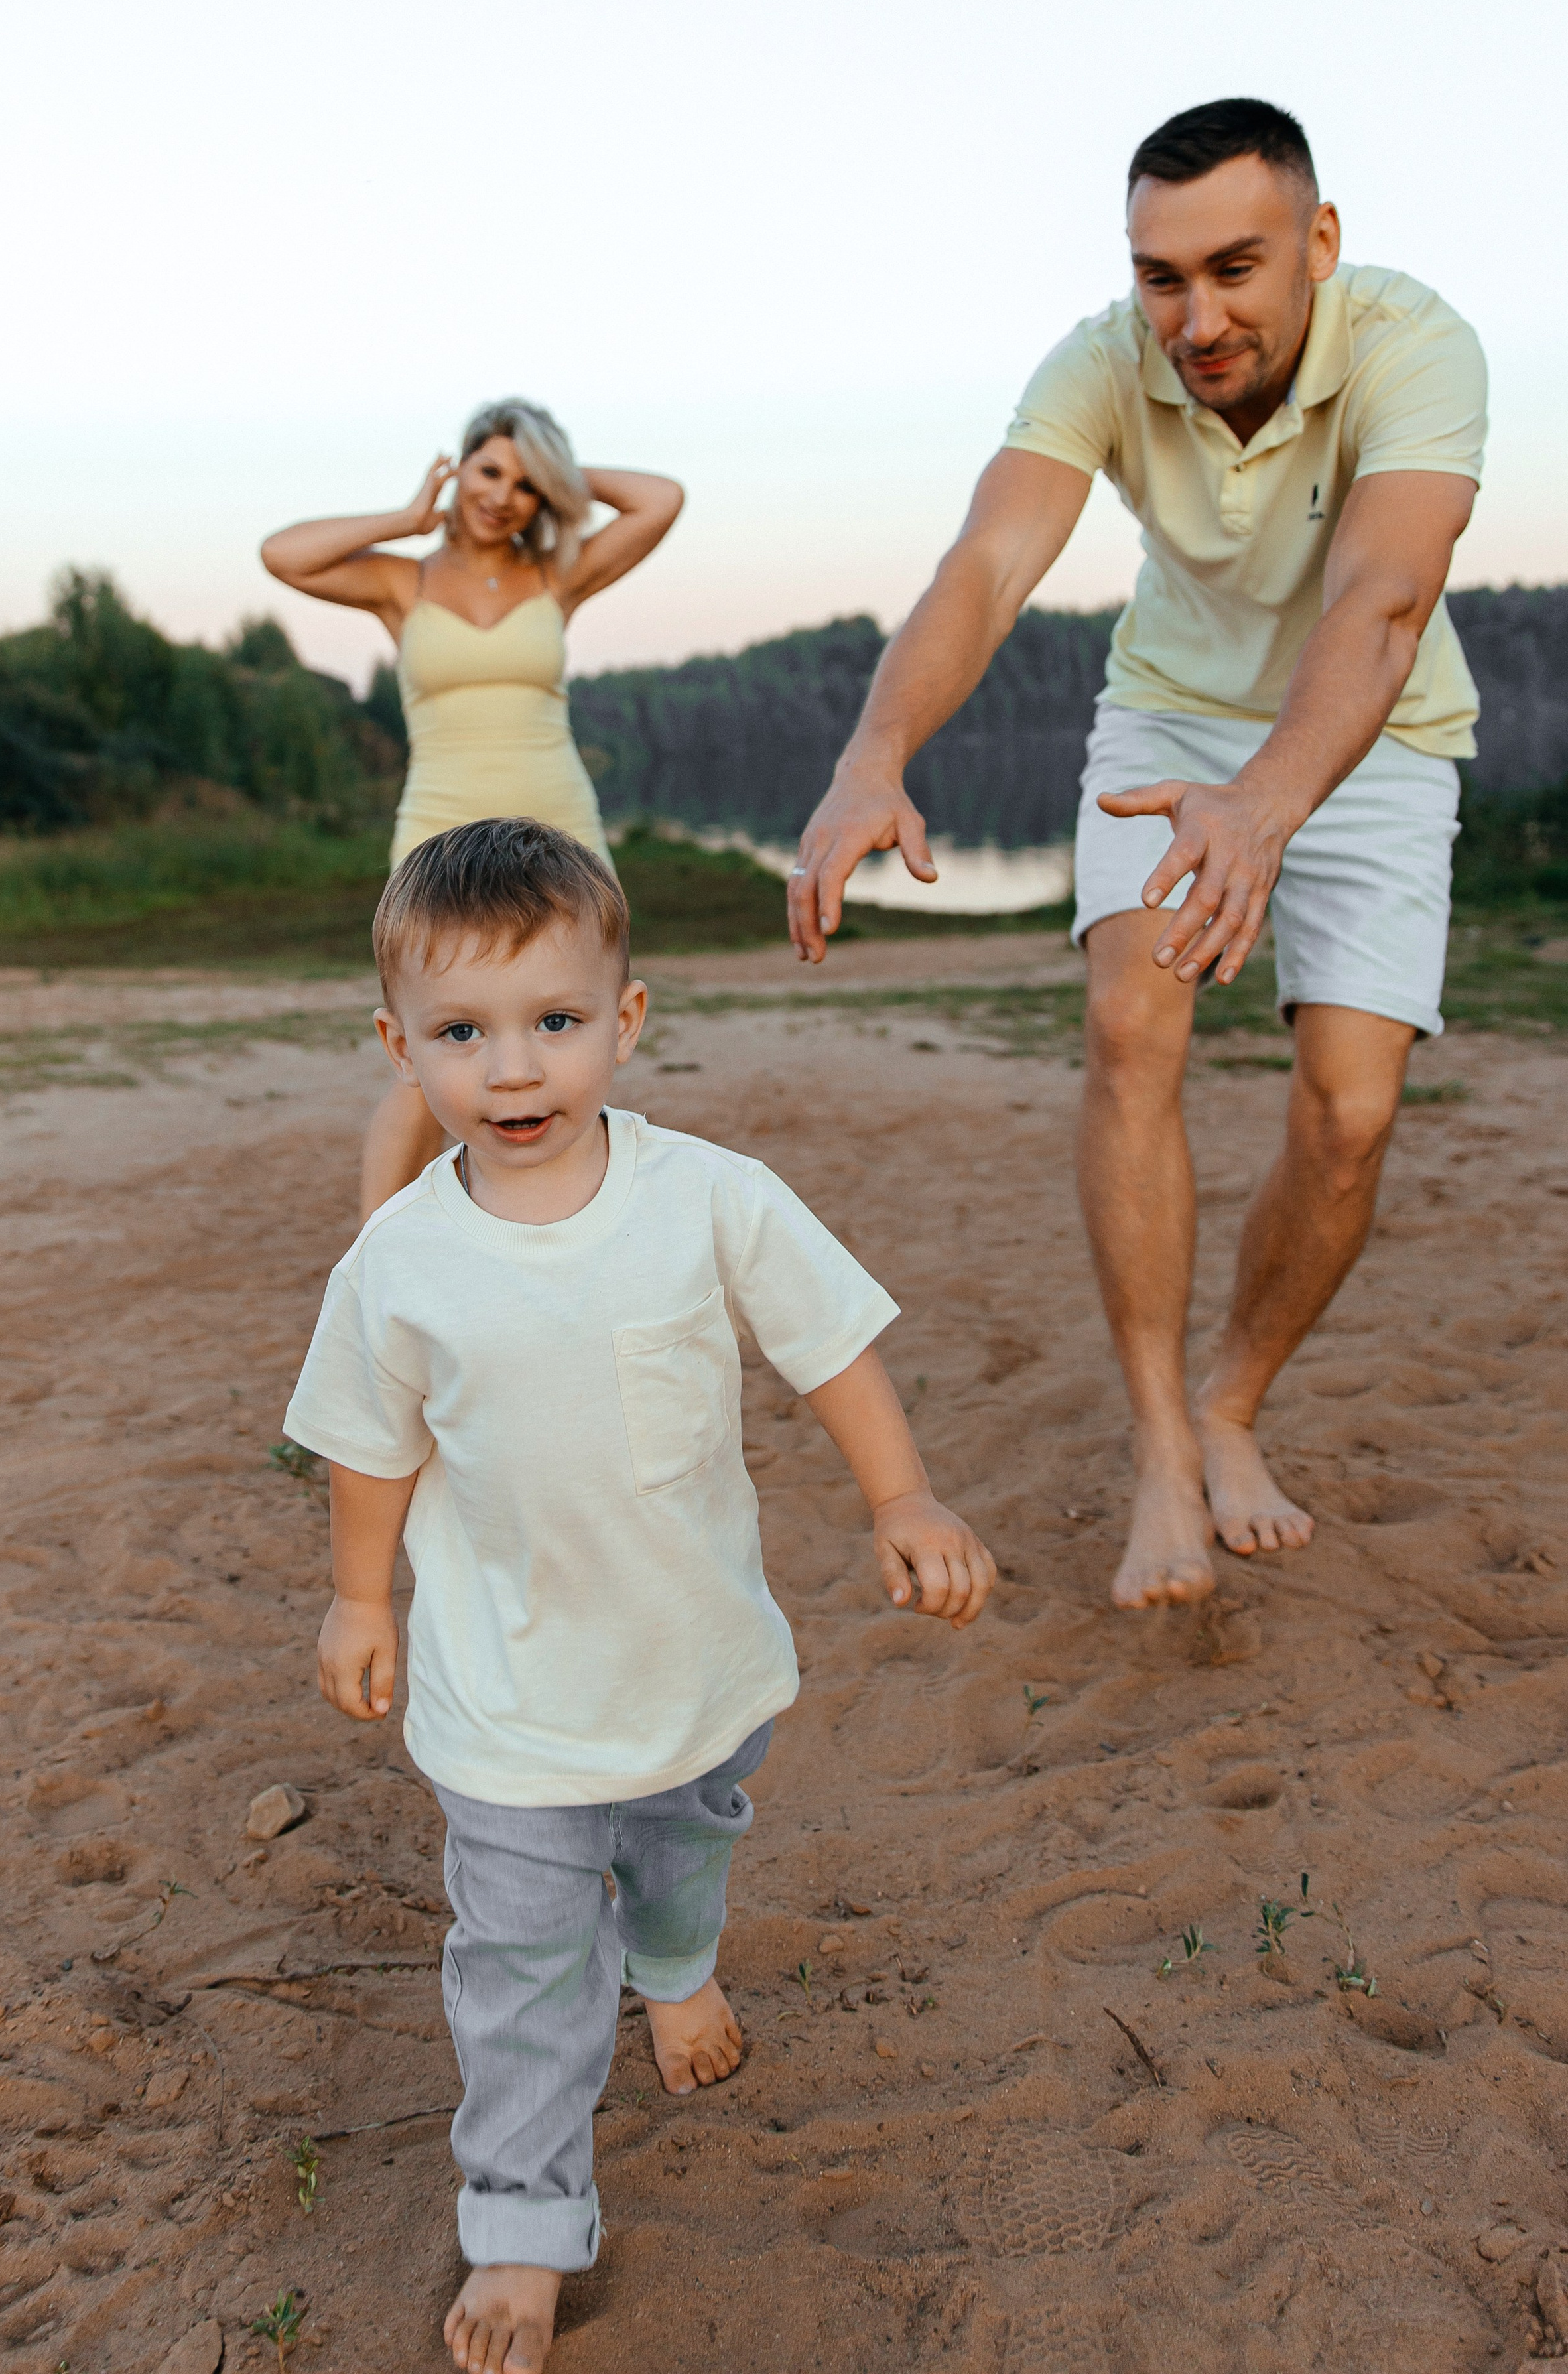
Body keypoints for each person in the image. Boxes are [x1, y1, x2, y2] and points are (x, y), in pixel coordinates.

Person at [284, 818, 996, 2374]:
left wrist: (902, 1493)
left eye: (554, 1020)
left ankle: (673, 1966)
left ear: (628, 1018)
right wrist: (361, 1598)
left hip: (690, 1673)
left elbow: (825, 1346)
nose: (515, 1068)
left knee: (678, 1866)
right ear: (397, 1046)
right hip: (508, 1705)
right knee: (524, 1970)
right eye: (463, 1033)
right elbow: (366, 1444)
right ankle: (522, 2221)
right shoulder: (395, 1261)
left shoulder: (709, 1196)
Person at [787, 97, 1486, 1613]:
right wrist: (870, 753)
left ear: (1317, 243)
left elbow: (1377, 601)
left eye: (1231, 268)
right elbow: (985, 564)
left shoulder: (1416, 347)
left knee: (1351, 1110)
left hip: (1367, 729)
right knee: (1126, 1025)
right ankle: (1163, 1445)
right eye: (1158, 276)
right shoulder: (1102, 360)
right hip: (1168, 716)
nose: (1193, 314)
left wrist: (1267, 799)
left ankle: (1232, 1398)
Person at [261, 399, 683, 1220]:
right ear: (460, 470)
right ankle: (378, 1258)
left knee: (568, 1047)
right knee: (436, 1056)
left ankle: (570, 1233)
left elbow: (660, 498)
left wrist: (561, 473)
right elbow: (282, 554)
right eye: (491, 471)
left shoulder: (556, 575)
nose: (505, 496)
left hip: (560, 824)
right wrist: (406, 516)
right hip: (437, 832)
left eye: (529, 486)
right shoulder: (401, 579)